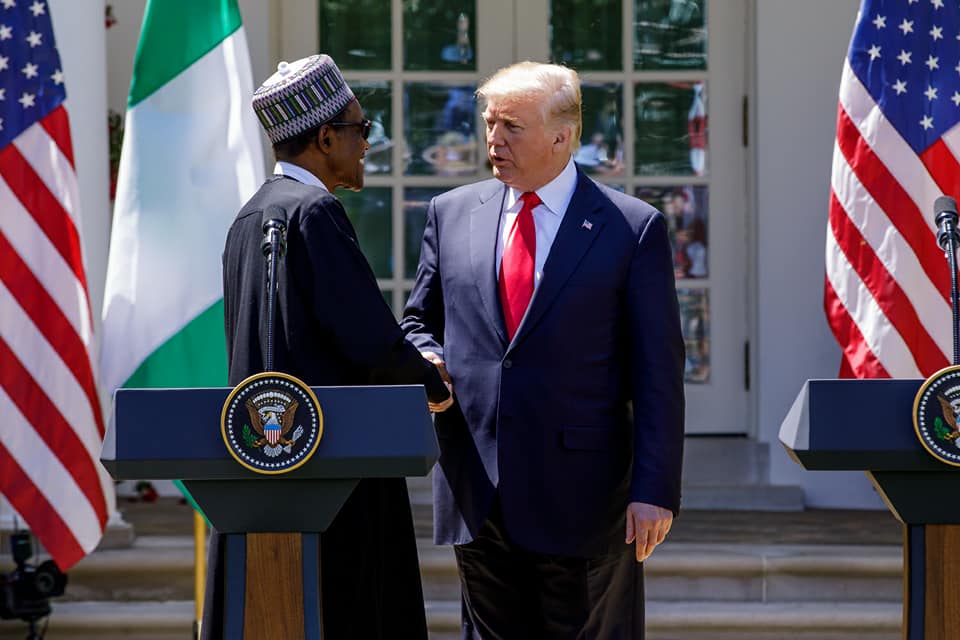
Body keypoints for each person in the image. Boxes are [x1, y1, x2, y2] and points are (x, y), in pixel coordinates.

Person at [402, 61, 685, 639]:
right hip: (477, 489)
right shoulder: (450, 213)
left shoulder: (630, 227)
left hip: (584, 498)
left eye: (511, 126)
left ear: (562, 136)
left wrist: (654, 491)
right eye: (489, 123)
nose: (492, 140)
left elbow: (658, 371)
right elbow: (417, 322)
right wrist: (427, 358)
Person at [202, 54, 452, 640]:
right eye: (361, 130)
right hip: (338, 467)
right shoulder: (315, 212)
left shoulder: (248, 217)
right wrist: (432, 383)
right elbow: (367, 337)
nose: (368, 144)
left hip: (263, 466)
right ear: (324, 136)